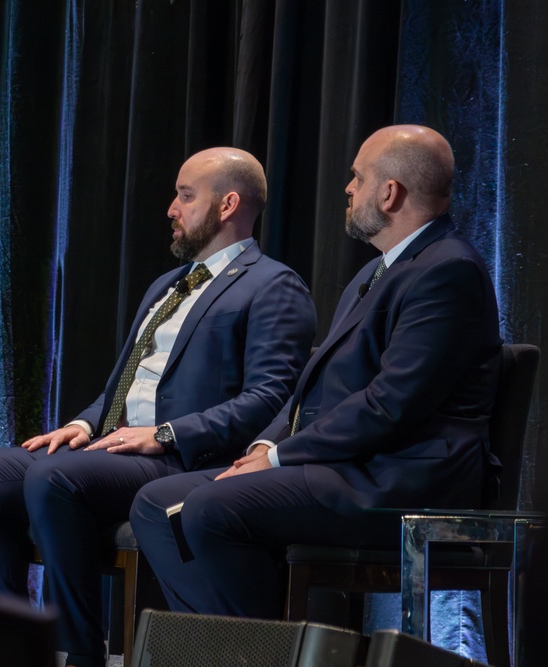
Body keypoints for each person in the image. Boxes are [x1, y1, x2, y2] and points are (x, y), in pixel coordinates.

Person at [0, 147, 317, 667]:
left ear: (228, 204)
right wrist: (81, 422)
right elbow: (124, 384)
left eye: (186, 196)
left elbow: (269, 400)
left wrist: (164, 434)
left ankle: (77, 651)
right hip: (111, 449)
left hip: (182, 460)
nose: (171, 207)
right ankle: (15, 642)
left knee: (54, 479)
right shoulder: (167, 286)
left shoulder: (273, 285)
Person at [129, 125, 502, 620]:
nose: (348, 189)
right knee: (156, 504)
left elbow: (390, 404)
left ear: (389, 193)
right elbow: (318, 385)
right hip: (348, 465)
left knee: (212, 509)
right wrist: (266, 446)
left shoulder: (446, 271)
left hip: (401, 481)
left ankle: (257, 655)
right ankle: (234, 653)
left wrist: (282, 456)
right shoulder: (378, 271)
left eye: (357, 177)